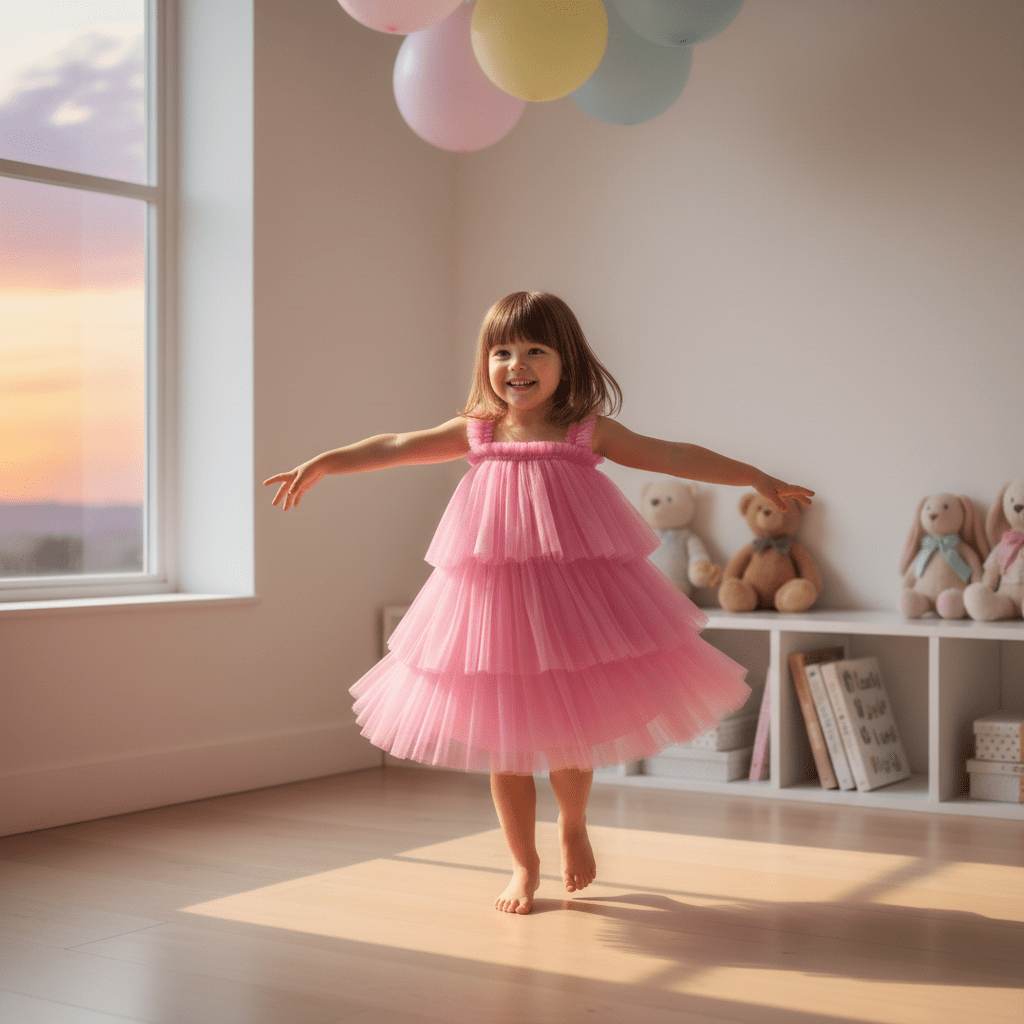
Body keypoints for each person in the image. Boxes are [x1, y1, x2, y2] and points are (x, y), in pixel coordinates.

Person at [265, 291, 813, 915]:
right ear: (486, 361)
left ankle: (572, 824)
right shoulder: (478, 428)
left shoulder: (586, 431)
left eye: (535, 351)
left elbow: (674, 454)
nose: (516, 364)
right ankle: (523, 865)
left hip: (570, 604)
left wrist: (754, 476)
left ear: (565, 360)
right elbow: (395, 445)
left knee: (573, 731)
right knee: (507, 740)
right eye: (502, 351)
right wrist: (325, 463)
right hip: (493, 610)